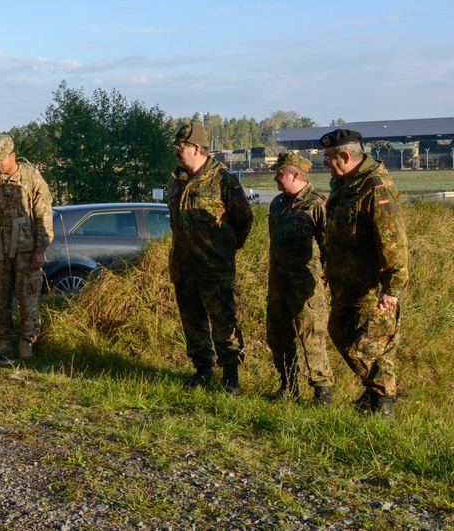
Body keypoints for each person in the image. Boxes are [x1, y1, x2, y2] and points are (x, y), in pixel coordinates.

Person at [321, 129, 408, 416]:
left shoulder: (375, 188)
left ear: (346, 156)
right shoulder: (343, 184)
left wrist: (392, 288)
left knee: (371, 348)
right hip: (346, 285)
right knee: (339, 331)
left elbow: (392, 240)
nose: (325, 164)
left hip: (372, 289)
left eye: (329, 158)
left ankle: (382, 405)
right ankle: (376, 392)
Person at [167, 123, 253, 394]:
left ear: (196, 148)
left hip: (214, 267)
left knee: (224, 323)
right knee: (192, 322)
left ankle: (230, 378)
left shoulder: (223, 180)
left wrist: (226, 249)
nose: (176, 152)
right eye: (176, 147)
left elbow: (244, 219)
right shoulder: (177, 179)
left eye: (180, 147)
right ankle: (202, 370)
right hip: (183, 265)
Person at [0, 135, 53, 361]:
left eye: (1, 160)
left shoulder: (32, 179)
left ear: (13, 156)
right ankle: (3, 342)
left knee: (27, 297)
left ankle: (27, 342)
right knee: (0, 297)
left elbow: (43, 217)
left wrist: (40, 250)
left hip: (26, 249)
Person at [266, 151, 333, 404]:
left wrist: (330, 279)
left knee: (311, 336)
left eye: (279, 173)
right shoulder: (277, 204)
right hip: (278, 282)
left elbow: (329, 247)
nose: (275, 178)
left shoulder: (317, 204)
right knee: (278, 335)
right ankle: (288, 386)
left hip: (306, 284)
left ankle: (322, 391)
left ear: (295, 174)